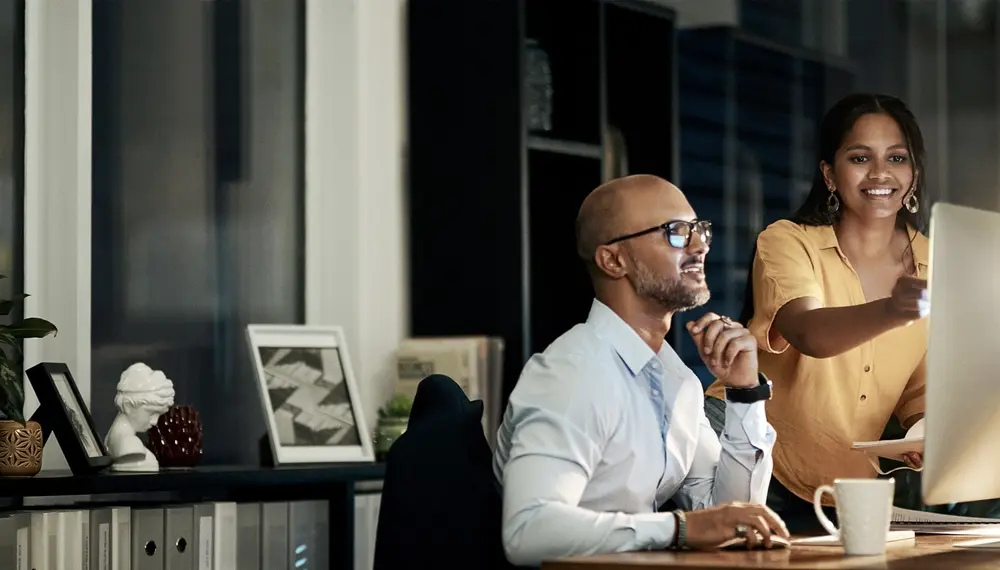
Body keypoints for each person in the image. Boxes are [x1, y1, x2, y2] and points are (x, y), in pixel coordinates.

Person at [493, 174, 788, 567]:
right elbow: (527, 530)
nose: (700, 245)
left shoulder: (675, 378)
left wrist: (744, 393)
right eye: (675, 232)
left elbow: (732, 516)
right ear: (613, 260)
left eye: (699, 229)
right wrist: (679, 529)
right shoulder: (572, 373)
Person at [704, 93, 930, 531]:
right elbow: (809, 332)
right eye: (860, 157)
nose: (881, 173)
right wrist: (892, 310)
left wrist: (922, 433)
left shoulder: (934, 261)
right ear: (829, 173)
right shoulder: (787, 241)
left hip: (843, 487)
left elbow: (918, 389)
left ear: (914, 175)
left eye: (897, 158)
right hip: (744, 457)